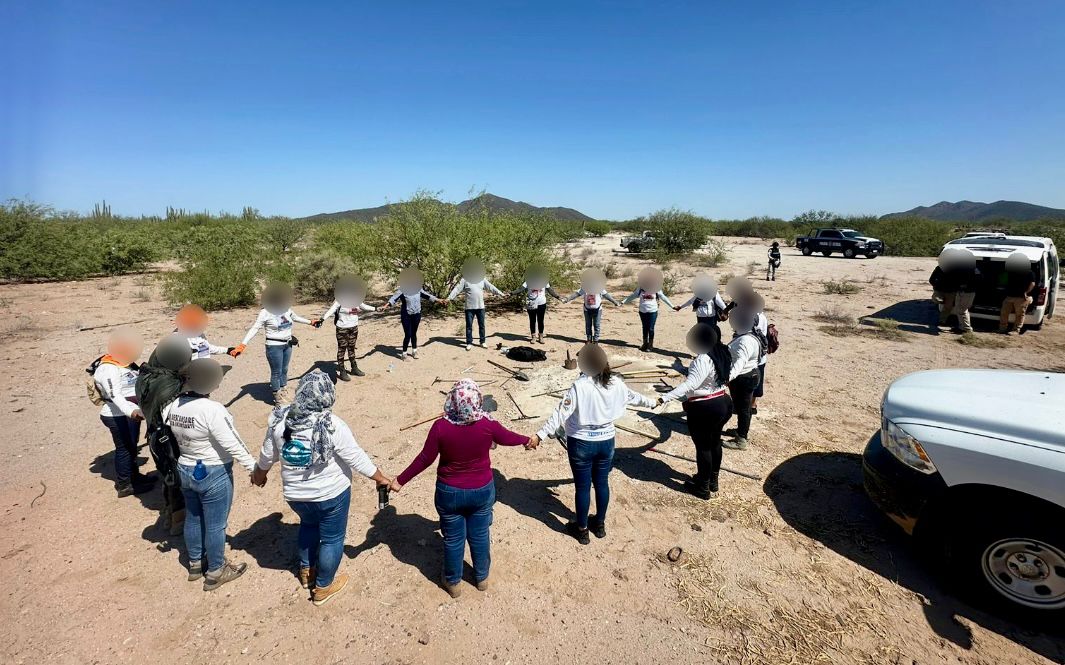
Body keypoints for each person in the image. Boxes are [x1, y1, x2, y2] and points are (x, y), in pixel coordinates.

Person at [254, 370, 393, 605]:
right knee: (332, 539)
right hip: (331, 495)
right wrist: (379, 477)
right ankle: (323, 586)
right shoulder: (331, 424)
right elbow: (355, 457)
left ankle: (307, 571)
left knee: (308, 526)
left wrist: (259, 475)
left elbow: (267, 455)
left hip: (296, 496)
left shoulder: (280, 420)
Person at [390, 379, 531, 597]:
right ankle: (482, 577)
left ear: (453, 401)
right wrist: (526, 439)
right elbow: (507, 438)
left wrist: (400, 480)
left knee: (453, 539)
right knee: (480, 535)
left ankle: (453, 582)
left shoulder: (441, 427)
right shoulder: (488, 424)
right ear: (478, 401)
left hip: (450, 492)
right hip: (482, 491)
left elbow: (425, 458)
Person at [529, 343, 656, 544]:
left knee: (582, 487)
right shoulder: (615, 382)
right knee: (601, 483)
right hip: (606, 441)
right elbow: (635, 398)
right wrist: (654, 402)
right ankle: (600, 524)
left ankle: (582, 530)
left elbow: (560, 413)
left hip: (581, 443)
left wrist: (540, 435)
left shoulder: (580, 386)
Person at [164, 358, 257, 590]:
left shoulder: (171, 406)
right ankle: (216, 570)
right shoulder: (213, 410)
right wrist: (254, 467)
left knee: (194, 517)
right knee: (216, 525)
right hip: (214, 470)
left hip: (185, 466)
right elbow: (232, 443)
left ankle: (195, 562)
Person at [657, 324, 734, 499]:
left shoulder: (703, 359)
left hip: (706, 407)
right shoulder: (721, 353)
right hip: (722, 401)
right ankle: (712, 480)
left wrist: (664, 397)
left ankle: (702, 487)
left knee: (704, 447)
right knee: (715, 442)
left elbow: (690, 384)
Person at [136, 334, 194, 534]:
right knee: (176, 475)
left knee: (166, 473)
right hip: (169, 436)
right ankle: (178, 521)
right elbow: (176, 414)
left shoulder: (146, 376)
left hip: (154, 435)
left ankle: (169, 513)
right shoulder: (168, 385)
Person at [230, 284, 314, 405]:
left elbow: (296, 318)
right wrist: (243, 344)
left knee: (284, 370)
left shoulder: (286, 309)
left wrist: (310, 322)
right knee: (276, 372)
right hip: (274, 346)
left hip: (288, 344)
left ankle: (283, 390)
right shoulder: (265, 312)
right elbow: (254, 328)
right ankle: (277, 397)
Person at [93, 330, 152, 497]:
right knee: (124, 448)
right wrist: (131, 411)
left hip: (132, 413)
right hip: (117, 415)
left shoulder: (124, 363)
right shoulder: (108, 368)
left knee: (132, 447)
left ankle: (134, 477)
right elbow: (115, 395)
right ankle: (124, 484)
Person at [312, 275, 375, 380]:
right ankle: (342, 371)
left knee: (351, 347)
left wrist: (377, 308)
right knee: (342, 349)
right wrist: (322, 319)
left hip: (354, 327)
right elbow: (331, 310)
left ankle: (354, 368)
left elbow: (364, 307)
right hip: (342, 328)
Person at [724, 303, 766, 451]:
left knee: (743, 409)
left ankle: (741, 439)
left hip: (743, 378)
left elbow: (740, 363)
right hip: (749, 375)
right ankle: (741, 430)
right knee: (744, 407)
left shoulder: (745, 340)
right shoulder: (749, 335)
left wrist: (727, 378)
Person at [448, 261, 505, 350]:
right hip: (469, 308)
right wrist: (449, 298)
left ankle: (482, 342)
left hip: (480, 307)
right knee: (469, 326)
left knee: (482, 325)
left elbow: (491, 287)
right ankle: (469, 343)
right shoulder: (464, 280)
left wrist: (501, 294)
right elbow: (456, 289)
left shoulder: (482, 279)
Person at [383, 272, 440, 360]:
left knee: (414, 333)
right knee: (408, 334)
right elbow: (393, 299)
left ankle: (414, 351)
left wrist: (438, 300)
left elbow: (427, 295)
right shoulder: (401, 290)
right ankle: (404, 353)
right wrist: (386, 306)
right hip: (406, 315)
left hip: (417, 314)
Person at [623, 281, 675, 352]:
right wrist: (623, 302)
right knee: (644, 327)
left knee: (650, 328)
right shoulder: (640, 288)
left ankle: (650, 345)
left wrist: (672, 306)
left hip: (653, 311)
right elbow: (633, 295)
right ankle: (645, 343)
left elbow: (663, 297)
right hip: (642, 311)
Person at [511, 272, 562, 343]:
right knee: (532, 320)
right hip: (531, 304)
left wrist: (557, 296)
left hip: (542, 303)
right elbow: (520, 289)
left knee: (540, 320)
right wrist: (511, 293)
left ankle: (541, 336)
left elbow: (550, 290)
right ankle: (533, 336)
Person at [999, 252, 1036, 335]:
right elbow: (1002, 280)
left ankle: (1016, 330)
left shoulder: (1029, 272)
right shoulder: (1010, 270)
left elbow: (1032, 284)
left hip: (1021, 297)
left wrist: (1026, 292)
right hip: (1009, 295)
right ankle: (1002, 328)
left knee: (1019, 314)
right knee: (1004, 312)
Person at [949, 249, 980, 334]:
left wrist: (966, 285)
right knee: (959, 309)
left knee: (962, 310)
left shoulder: (972, 268)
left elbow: (977, 279)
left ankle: (967, 329)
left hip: (968, 292)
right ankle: (961, 327)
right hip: (963, 291)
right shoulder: (966, 267)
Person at [929, 249, 961, 327]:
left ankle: (942, 321)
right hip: (941, 289)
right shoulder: (939, 268)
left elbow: (960, 279)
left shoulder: (957, 269)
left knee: (948, 307)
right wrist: (935, 286)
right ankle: (942, 303)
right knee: (936, 300)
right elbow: (931, 279)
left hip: (951, 291)